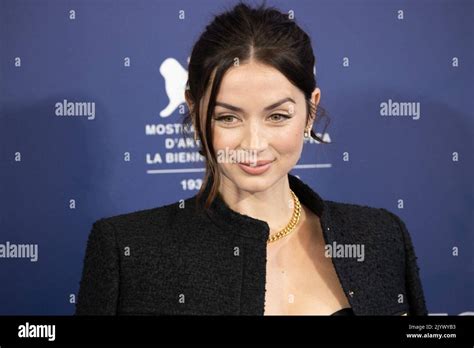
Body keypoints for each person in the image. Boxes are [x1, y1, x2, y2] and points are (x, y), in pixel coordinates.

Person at [75, 0, 427, 316]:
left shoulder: (380, 237)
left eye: (277, 116)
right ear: (195, 112)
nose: (253, 144)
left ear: (310, 111)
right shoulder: (128, 251)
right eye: (228, 117)